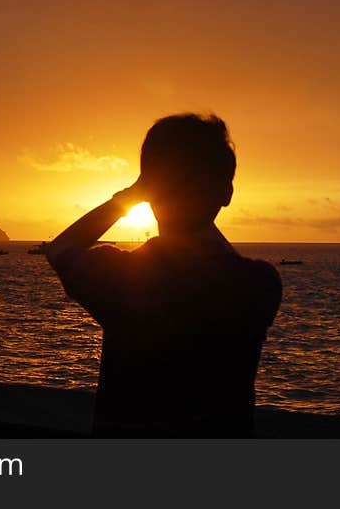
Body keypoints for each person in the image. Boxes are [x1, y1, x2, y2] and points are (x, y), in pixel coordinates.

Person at [45, 113, 282, 436]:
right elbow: (221, 264)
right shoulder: (259, 285)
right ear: (226, 193)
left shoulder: (122, 278)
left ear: (150, 190)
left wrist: (131, 195)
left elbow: (60, 248)